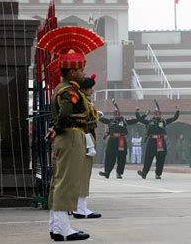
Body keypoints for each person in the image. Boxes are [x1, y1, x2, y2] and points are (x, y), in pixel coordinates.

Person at [39, 26, 104, 241]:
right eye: (81, 69)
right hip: (70, 137)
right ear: (73, 71)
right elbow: (66, 114)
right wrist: (57, 128)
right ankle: (64, 228)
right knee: (67, 183)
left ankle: (56, 226)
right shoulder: (69, 91)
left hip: (67, 136)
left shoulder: (64, 88)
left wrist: (55, 128)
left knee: (59, 181)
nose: (84, 73)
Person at [72, 74, 102, 219]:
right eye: (91, 88)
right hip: (84, 138)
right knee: (83, 173)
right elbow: (87, 118)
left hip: (86, 137)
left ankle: (81, 206)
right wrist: (96, 116)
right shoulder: (82, 101)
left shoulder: (84, 100)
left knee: (85, 174)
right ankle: (79, 208)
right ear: (85, 89)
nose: (92, 91)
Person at [136, 105, 180, 179]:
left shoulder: (164, 122)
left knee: (160, 159)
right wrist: (137, 112)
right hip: (151, 141)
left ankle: (158, 174)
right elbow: (140, 119)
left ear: (161, 114)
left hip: (161, 141)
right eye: (156, 114)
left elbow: (174, 118)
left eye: (159, 114)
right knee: (148, 158)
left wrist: (177, 111)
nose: (157, 115)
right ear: (154, 114)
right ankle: (144, 173)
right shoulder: (149, 122)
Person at [98, 108, 138, 179]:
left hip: (121, 140)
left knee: (121, 157)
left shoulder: (124, 121)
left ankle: (119, 173)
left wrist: (137, 114)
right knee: (109, 156)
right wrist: (98, 114)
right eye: (115, 115)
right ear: (113, 115)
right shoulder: (110, 121)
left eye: (118, 114)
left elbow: (134, 121)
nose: (117, 116)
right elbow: (102, 119)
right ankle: (107, 172)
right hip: (112, 140)